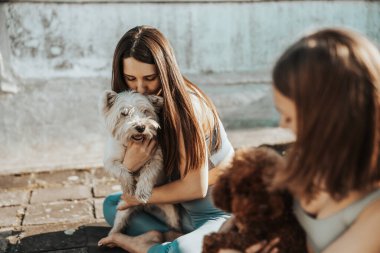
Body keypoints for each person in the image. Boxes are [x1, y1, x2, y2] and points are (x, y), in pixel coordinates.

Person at [220, 28, 380, 253]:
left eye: (290, 117)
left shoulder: (374, 208)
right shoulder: (307, 159)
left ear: (332, 116)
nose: (283, 125)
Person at [97, 25, 234, 253]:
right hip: (181, 210)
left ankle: (146, 244)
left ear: (165, 71)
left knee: (180, 250)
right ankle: (173, 236)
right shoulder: (141, 109)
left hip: (218, 214)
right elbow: (133, 179)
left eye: (149, 78)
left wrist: (136, 198)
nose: (140, 88)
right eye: (130, 78)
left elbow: (195, 188)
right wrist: (130, 165)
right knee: (111, 205)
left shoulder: (186, 108)